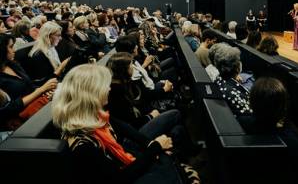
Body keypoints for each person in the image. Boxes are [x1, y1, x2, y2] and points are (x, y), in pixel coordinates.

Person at [52, 64, 200, 184]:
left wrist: (151, 144)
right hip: (120, 171)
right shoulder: (83, 146)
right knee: (167, 162)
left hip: (121, 152)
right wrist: (156, 148)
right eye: (105, 86)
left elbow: (127, 129)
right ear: (91, 95)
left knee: (173, 126)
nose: (109, 89)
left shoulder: (95, 114)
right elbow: (120, 178)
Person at [0, 33, 57, 130]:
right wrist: (40, 90)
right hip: (22, 120)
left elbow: (30, 85)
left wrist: (46, 89)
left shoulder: (12, 64)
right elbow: (8, 109)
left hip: (35, 108)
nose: (14, 50)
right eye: (10, 47)